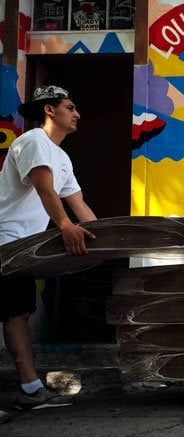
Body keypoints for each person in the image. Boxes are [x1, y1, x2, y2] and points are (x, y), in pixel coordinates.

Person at [0, 85, 97, 411]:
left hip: (22, 249)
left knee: (18, 312)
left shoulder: (61, 156)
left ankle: (31, 390)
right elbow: (45, 191)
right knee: (14, 312)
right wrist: (66, 226)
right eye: (70, 107)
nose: (77, 114)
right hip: (5, 242)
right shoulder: (33, 142)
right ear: (49, 110)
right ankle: (30, 390)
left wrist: (107, 240)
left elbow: (78, 203)